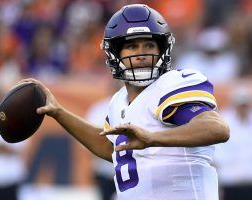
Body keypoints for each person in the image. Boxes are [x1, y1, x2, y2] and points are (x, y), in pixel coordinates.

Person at [18, 4, 230, 200]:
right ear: (114, 54)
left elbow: (216, 128)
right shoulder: (119, 101)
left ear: (162, 50)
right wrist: (59, 112)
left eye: (149, 45)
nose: (141, 54)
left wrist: (152, 138)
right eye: (131, 46)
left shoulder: (171, 85)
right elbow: (111, 148)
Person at [215, 87, 252, 200]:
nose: (242, 108)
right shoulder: (224, 121)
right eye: (240, 105)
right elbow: (218, 153)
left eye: (244, 105)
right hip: (230, 181)